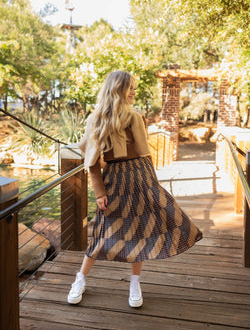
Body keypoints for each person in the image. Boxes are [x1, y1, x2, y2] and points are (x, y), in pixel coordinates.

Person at [67, 70, 202, 307]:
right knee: (102, 232)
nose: (133, 92)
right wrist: (99, 193)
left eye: (134, 88)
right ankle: (80, 279)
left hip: (139, 179)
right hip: (113, 181)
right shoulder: (95, 120)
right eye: (130, 88)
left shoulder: (135, 118)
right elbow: (92, 164)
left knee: (140, 232)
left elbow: (145, 155)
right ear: (117, 89)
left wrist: (153, 186)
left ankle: (135, 282)